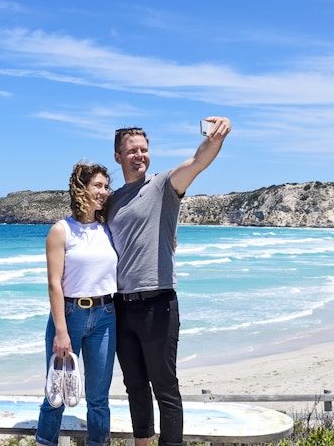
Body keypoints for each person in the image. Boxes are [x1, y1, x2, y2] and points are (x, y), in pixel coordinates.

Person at [108, 117, 232, 446]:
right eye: (131, 150)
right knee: (135, 387)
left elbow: (198, 161)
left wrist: (218, 135)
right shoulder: (111, 201)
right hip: (121, 307)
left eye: (144, 150)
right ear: (117, 156)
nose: (139, 155)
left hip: (158, 304)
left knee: (164, 387)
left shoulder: (163, 185)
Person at [35, 162, 119, 446]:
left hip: (105, 316)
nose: (104, 192)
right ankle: (45, 441)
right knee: (55, 394)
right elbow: (54, 284)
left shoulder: (109, 228)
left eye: (106, 186)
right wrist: (61, 331)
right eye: (97, 185)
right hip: (69, 315)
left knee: (98, 398)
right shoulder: (61, 230)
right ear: (81, 188)